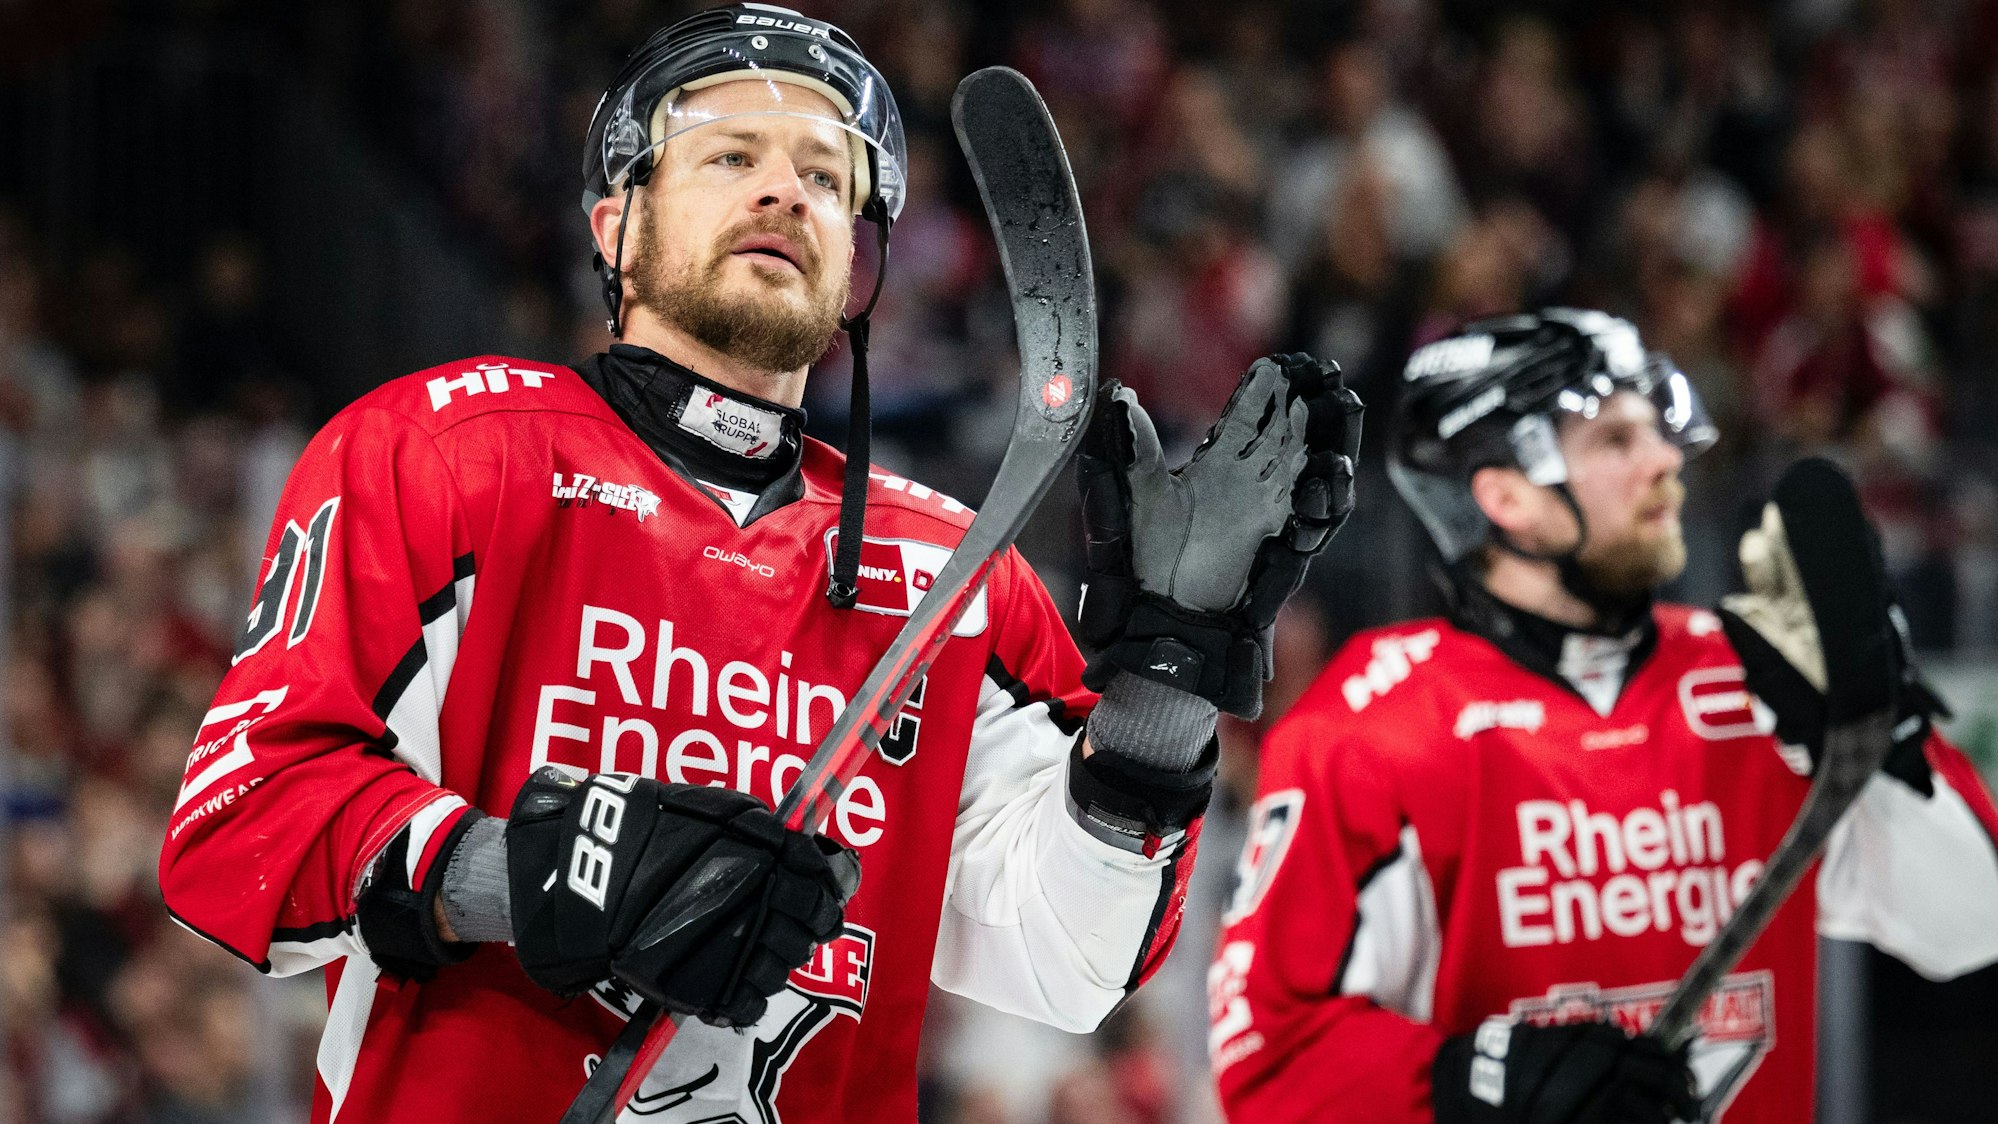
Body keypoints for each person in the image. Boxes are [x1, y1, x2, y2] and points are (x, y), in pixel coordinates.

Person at [157, 6, 1361, 1123]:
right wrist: (537, 874)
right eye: (731, 153)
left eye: (828, 177)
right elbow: (238, 820)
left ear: (855, 269)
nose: (787, 186)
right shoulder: (447, 452)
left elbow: (1069, 955)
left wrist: (1165, 679)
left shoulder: (955, 570)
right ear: (613, 221)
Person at [1207, 307, 1998, 1123]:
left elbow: (1974, 924)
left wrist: (1888, 733)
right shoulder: (1374, 729)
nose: (1666, 460)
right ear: (1507, 494)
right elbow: (1267, 1066)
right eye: (1615, 441)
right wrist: (1474, 1081)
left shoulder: (1760, 685)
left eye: (1656, 430)